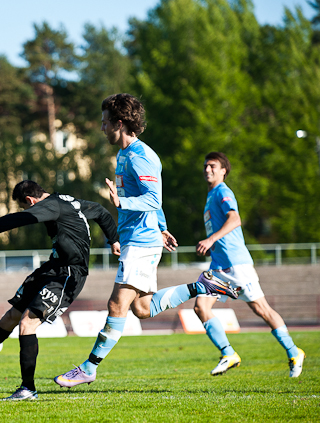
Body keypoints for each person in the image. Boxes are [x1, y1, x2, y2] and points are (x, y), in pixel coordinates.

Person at [54, 94, 238, 389]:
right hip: (137, 238)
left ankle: (88, 368)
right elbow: (152, 200)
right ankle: (200, 286)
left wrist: (121, 201)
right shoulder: (124, 154)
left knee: (116, 305)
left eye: (105, 123)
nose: (102, 128)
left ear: (120, 122)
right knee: (141, 308)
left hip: (141, 241)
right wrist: (163, 227)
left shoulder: (141, 156)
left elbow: (153, 198)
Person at [0, 180, 122, 400]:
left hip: (68, 274)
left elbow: (16, 220)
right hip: (51, 267)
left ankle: (28, 388)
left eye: (27, 207)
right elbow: (101, 211)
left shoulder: (51, 205)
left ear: (30, 200)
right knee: (10, 319)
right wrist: (114, 240)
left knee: (27, 323)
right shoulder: (67, 201)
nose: (29, 211)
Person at [192, 152, 305, 377]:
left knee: (261, 309)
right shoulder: (211, 195)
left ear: (224, 170)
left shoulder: (223, 191)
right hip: (218, 266)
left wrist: (211, 239)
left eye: (212, 166)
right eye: (205, 166)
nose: (207, 169)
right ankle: (228, 354)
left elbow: (235, 219)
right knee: (200, 307)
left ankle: (294, 351)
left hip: (236, 264)